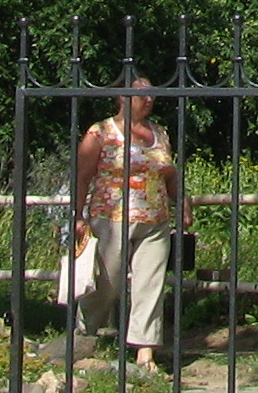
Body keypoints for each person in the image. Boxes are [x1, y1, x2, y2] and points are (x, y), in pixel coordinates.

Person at [74, 79, 183, 372]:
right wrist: (78, 216)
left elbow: (169, 173)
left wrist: (182, 202)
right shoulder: (101, 132)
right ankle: (86, 333)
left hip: (155, 219)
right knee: (107, 282)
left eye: (152, 96)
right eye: (142, 96)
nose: (148, 101)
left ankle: (144, 353)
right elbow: (82, 176)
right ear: (122, 98)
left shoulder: (159, 133)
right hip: (111, 217)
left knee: (151, 284)